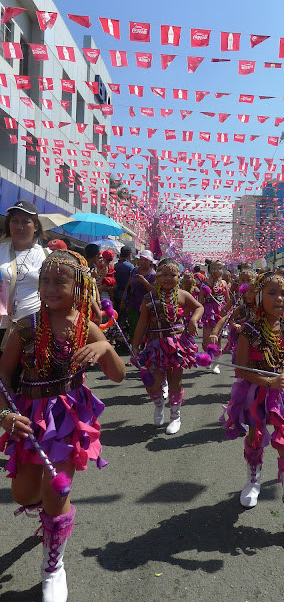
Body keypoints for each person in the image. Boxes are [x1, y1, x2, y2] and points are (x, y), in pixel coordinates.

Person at [0, 250, 125, 602]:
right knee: (23, 495)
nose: (50, 287)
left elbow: (118, 376)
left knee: (57, 494)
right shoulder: (25, 327)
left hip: (69, 418)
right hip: (29, 418)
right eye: (45, 280)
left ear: (79, 287)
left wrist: (104, 347)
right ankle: (49, 504)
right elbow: (3, 376)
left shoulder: (86, 327)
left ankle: (53, 565)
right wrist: (5, 415)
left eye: (60, 281)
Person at [221, 271, 284, 539]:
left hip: (282, 392)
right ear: (258, 297)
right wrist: (269, 381)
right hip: (256, 391)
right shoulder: (248, 330)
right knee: (255, 436)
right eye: (272, 293)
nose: (279, 298)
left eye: (283, 293)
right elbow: (242, 370)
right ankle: (253, 480)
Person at [131, 258, 203, 434]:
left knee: (175, 381)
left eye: (173, 275)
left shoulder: (182, 294)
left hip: (176, 345)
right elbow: (142, 323)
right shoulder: (149, 298)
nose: (168, 278)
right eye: (164, 274)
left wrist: (193, 320)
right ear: (157, 276)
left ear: (179, 277)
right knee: (153, 383)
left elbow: (199, 307)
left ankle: (175, 416)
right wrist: (135, 346)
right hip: (155, 345)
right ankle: (158, 404)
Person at [0, 201, 48, 352]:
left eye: (25, 222)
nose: (19, 227)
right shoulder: (1, 250)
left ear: (36, 226)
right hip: (2, 326)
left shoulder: (47, 256)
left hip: (33, 327)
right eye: (14, 221)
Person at [198, 260, 230, 374]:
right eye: (214, 268)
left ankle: (216, 363)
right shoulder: (205, 283)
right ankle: (208, 357)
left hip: (220, 312)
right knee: (207, 339)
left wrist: (229, 312)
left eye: (219, 268)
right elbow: (200, 301)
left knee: (218, 338)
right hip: (208, 312)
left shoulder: (224, 283)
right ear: (210, 269)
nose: (217, 271)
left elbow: (228, 300)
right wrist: (199, 316)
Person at [121, 250, 156, 340]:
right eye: (141, 259)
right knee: (133, 328)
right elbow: (128, 286)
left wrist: (144, 282)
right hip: (133, 304)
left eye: (146, 260)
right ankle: (133, 346)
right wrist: (123, 301)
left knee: (145, 330)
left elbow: (153, 291)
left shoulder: (153, 275)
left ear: (150, 262)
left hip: (146, 306)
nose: (143, 262)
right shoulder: (134, 271)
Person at [114, 246, 134, 313]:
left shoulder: (115, 266)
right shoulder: (131, 267)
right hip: (126, 296)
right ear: (130, 255)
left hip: (114, 294)